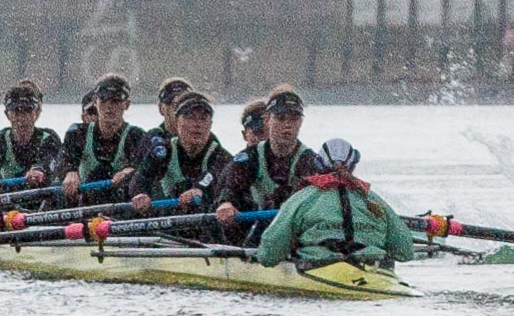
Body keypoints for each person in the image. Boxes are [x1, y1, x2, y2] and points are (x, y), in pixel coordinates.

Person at [254, 138, 416, 269]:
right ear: (353, 165)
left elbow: (269, 256)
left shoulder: (300, 199)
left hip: (318, 265)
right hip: (374, 267)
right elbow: (405, 251)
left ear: (318, 164)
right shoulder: (375, 200)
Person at [214, 85, 321, 229]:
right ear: (267, 120)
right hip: (263, 227)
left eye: (293, 119)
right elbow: (229, 185)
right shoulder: (249, 157)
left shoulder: (310, 161)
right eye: (280, 118)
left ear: (301, 122)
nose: (287, 125)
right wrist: (226, 203)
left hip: (299, 232)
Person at [130, 90, 229, 215]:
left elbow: (211, 176)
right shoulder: (163, 151)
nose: (197, 124)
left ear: (211, 124)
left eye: (203, 119)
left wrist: (199, 189)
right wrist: (140, 194)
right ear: (177, 122)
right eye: (190, 118)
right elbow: (140, 178)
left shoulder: (221, 156)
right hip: (170, 217)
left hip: (207, 222)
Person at [59, 73, 148, 201]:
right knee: (96, 175)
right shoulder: (77, 133)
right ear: (95, 102)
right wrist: (69, 171)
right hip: (85, 203)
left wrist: (131, 171)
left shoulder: (136, 136)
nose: (109, 106)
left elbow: (145, 169)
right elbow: (63, 159)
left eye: (116, 101)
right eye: (104, 99)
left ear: (127, 104)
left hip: (121, 205)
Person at [0, 79, 62, 196]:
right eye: (16, 111)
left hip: (42, 199)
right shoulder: (1, 139)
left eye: (27, 110)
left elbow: (48, 159)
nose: (22, 117)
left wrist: (39, 169)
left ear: (36, 112)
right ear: (7, 114)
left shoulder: (49, 138)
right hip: (9, 203)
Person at [148, 78, 193, 143]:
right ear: (161, 108)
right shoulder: (151, 140)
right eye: (172, 104)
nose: (177, 110)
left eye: (183, 105)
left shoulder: (207, 141)